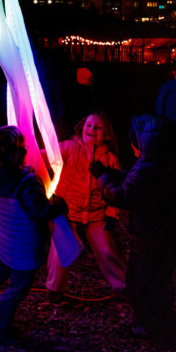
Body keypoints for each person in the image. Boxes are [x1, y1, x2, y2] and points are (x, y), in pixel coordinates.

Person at [90, 115, 176, 352]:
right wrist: (115, 173)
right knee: (139, 283)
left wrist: (102, 177)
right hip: (156, 238)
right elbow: (136, 182)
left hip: (153, 240)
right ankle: (148, 325)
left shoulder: (148, 167)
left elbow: (121, 196)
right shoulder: (158, 161)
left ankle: (172, 343)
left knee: (151, 288)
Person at [0, 126, 68, 343]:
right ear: (10, 154)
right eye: (22, 149)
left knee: (0, 269)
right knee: (16, 288)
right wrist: (58, 206)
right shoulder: (27, 182)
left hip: (5, 238)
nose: (26, 151)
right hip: (24, 245)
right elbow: (40, 212)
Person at [45, 113, 127, 302]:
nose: (92, 130)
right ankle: (54, 289)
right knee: (61, 249)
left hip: (96, 214)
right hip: (68, 211)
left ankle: (122, 286)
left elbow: (116, 189)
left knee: (105, 247)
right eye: (89, 126)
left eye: (98, 128)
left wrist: (111, 213)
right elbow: (46, 155)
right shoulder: (68, 147)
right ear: (81, 128)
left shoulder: (110, 159)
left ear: (106, 135)